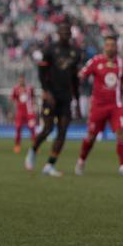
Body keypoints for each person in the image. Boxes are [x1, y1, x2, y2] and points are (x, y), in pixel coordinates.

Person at [26, 21, 82, 176]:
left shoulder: (76, 52)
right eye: (63, 31)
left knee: (62, 132)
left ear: (71, 34)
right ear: (58, 33)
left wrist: (76, 101)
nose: (65, 34)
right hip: (51, 95)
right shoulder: (50, 49)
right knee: (47, 129)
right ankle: (33, 150)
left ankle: (49, 165)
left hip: (66, 97)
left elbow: (75, 80)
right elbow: (41, 72)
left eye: (68, 31)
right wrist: (46, 91)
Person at [75, 35, 123, 176]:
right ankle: (81, 161)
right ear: (104, 47)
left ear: (116, 47)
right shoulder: (96, 61)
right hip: (98, 106)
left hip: (115, 105)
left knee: (121, 133)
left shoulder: (121, 63)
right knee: (91, 136)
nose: (111, 47)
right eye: (108, 45)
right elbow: (82, 75)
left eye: (113, 45)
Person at [11, 73, 38, 154]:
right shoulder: (15, 89)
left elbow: (33, 97)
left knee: (32, 128)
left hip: (29, 112)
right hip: (20, 112)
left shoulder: (30, 88)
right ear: (18, 80)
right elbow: (13, 99)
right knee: (18, 128)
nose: (21, 80)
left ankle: (35, 147)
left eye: (22, 79)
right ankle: (17, 145)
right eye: (20, 79)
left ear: (24, 79)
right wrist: (13, 110)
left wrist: (34, 107)